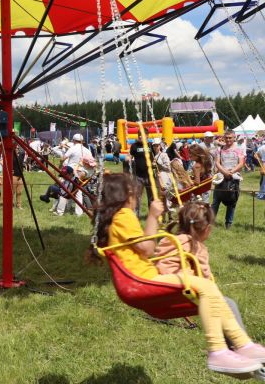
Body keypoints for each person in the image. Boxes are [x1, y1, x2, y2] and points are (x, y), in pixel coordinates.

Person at [91, 173, 265, 375]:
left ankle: (243, 345)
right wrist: (153, 216)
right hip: (142, 280)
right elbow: (147, 248)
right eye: (134, 194)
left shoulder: (115, 219)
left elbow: (142, 248)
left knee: (212, 294)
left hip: (138, 280)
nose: (136, 197)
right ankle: (218, 350)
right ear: (123, 195)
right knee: (206, 286)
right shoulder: (124, 216)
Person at [213, 130, 244, 229]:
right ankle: (211, 221)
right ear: (223, 138)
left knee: (232, 201)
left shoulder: (239, 149)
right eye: (226, 138)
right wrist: (225, 172)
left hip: (234, 177)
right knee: (216, 201)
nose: (228, 140)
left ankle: (228, 223)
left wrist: (231, 172)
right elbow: (217, 162)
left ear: (234, 138)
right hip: (221, 177)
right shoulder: (219, 149)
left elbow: (241, 163)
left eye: (230, 137)